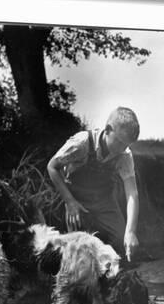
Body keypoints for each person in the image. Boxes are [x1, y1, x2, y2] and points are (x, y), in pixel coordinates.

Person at [47, 106, 140, 262]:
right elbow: (52, 167)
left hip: (105, 201)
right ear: (108, 129)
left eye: (125, 145)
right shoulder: (81, 142)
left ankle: (109, 277)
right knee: (79, 249)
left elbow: (132, 194)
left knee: (120, 241)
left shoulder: (125, 155)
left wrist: (131, 231)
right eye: (118, 142)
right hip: (78, 200)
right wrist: (70, 202)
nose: (120, 149)